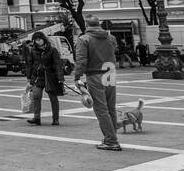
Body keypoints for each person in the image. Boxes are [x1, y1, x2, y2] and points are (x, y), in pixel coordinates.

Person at [74, 17, 120, 151]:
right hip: (110, 72)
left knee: (101, 109)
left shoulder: (84, 39)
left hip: (95, 74)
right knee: (111, 108)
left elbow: (81, 60)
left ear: (87, 24)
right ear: (98, 24)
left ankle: (111, 141)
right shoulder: (110, 38)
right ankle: (111, 137)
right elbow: (114, 51)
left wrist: (77, 76)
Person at [24, 31, 65, 126]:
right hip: (37, 78)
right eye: (36, 40)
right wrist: (29, 78)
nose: (38, 42)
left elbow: (57, 64)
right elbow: (30, 64)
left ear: (44, 39)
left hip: (50, 77)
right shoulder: (33, 51)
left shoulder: (52, 50)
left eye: (39, 40)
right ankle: (36, 118)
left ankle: (55, 119)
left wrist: (60, 77)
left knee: (53, 98)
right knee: (36, 96)